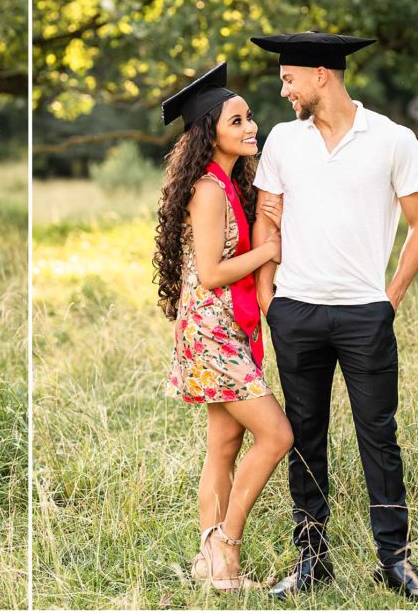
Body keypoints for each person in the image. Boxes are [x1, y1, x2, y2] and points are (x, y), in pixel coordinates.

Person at [249, 31, 418, 604]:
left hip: (364, 314)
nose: (283, 91)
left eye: (289, 79)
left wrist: (391, 296)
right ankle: (312, 561)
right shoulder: (284, 141)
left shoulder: (392, 139)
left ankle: (395, 562)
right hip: (297, 312)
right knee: (306, 439)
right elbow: (268, 220)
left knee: (379, 438)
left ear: (321, 77)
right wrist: (268, 299)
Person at [154, 61, 294, 592]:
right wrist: (267, 250)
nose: (250, 126)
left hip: (217, 327)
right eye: (237, 121)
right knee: (276, 434)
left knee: (224, 444)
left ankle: (212, 564)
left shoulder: (225, 180)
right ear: (210, 131)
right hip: (210, 330)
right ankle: (226, 545)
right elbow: (211, 273)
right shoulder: (210, 191)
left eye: (249, 117)